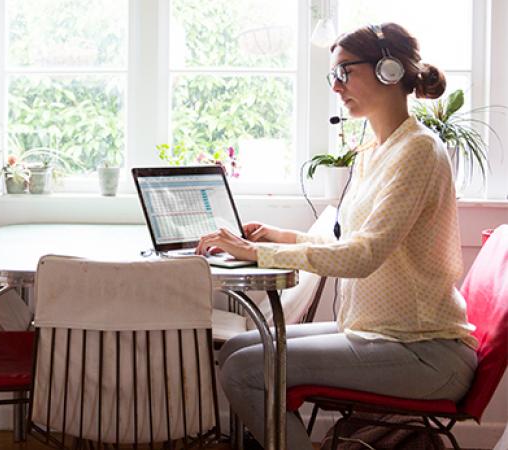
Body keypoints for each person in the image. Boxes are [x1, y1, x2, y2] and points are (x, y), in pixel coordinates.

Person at [196, 23, 477, 449]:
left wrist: (257, 251)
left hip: (424, 352)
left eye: (345, 72)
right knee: (237, 350)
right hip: (378, 335)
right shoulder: (374, 152)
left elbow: (362, 257)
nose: (336, 86)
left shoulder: (419, 150)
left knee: (244, 371)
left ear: (389, 70)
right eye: (333, 75)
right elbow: (354, 245)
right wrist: (284, 237)